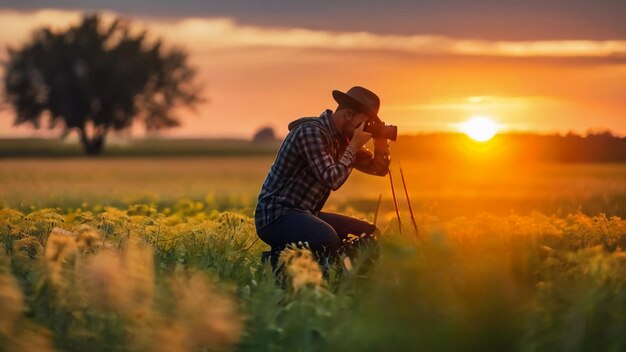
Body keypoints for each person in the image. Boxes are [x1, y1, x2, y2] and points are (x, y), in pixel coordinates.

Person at [254, 86, 391, 275]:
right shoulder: (311, 132)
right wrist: (353, 147)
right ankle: (279, 269)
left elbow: (379, 169)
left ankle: (354, 281)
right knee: (324, 236)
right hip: (275, 215)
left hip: (305, 213)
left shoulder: (344, 138)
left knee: (368, 233)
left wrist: (380, 142)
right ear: (349, 114)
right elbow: (332, 179)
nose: (364, 129)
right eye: (364, 123)